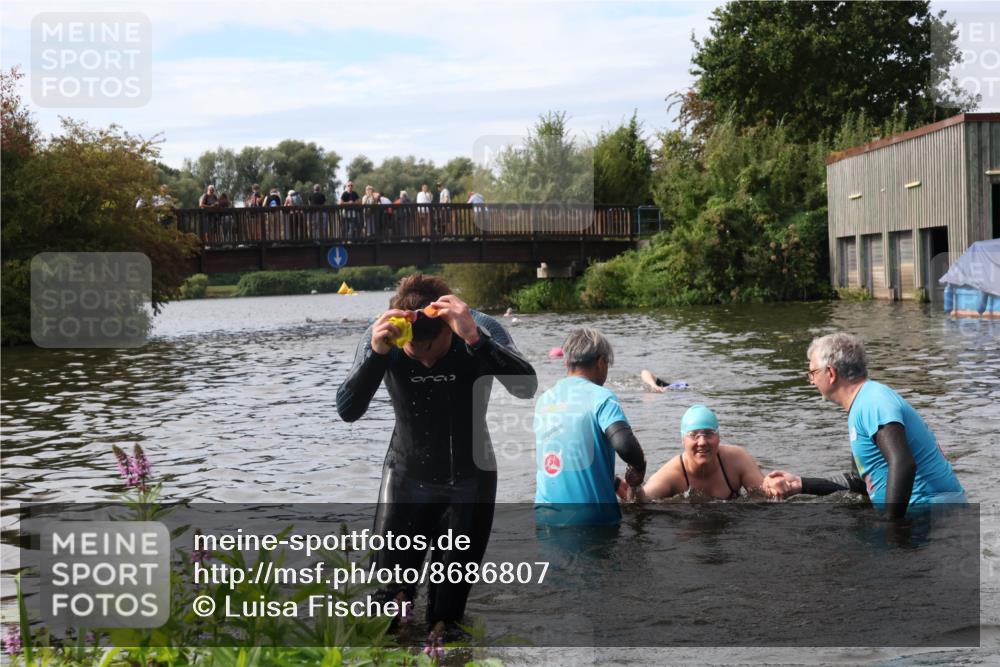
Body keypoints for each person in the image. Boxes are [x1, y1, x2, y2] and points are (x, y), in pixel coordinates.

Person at [336, 274, 537, 630]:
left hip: (469, 484)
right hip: (406, 480)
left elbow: (526, 387)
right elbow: (348, 410)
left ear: (450, 327)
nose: (427, 363)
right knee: (387, 610)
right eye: (417, 354)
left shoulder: (479, 327)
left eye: (436, 351)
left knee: (446, 619)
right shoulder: (382, 333)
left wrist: (475, 339)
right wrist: (377, 355)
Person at [762, 333, 966, 518]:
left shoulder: (872, 402)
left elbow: (903, 463)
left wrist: (890, 526)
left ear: (831, 373)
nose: (812, 382)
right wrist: (799, 484)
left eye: (813, 373)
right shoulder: (864, 403)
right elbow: (859, 481)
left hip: (931, 516)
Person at [534, 328, 647, 526]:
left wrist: (613, 483)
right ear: (601, 362)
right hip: (591, 519)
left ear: (566, 361)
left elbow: (563, 455)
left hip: (546, 515)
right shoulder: (601, 397)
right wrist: (639, 467)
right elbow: (625, 444)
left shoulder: (544, 400)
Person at [633, 405, 764, 501]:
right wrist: (635, 486)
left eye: (709, 434)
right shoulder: (671, 474)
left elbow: (768, 494)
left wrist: (782, 482)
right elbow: (641, 501)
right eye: (693, 435)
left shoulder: (737, 459)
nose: (702, 442)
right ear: (683, 440)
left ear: (718, 437)